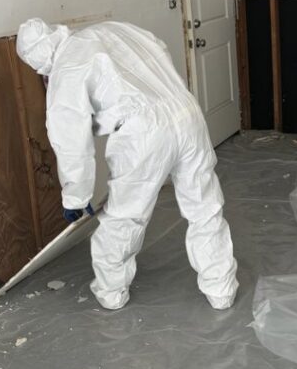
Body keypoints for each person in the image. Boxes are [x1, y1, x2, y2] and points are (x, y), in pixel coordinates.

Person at [16, 19, 238, 312]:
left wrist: (75, 196)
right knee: (204, 205)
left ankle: (111, 292)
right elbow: (158, 48)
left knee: (125, 215)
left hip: (143, 130)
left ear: (39, 57)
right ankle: (221, 291)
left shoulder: (66, 65)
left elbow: (70, 139)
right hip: (186, 111)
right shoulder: (112, 28)